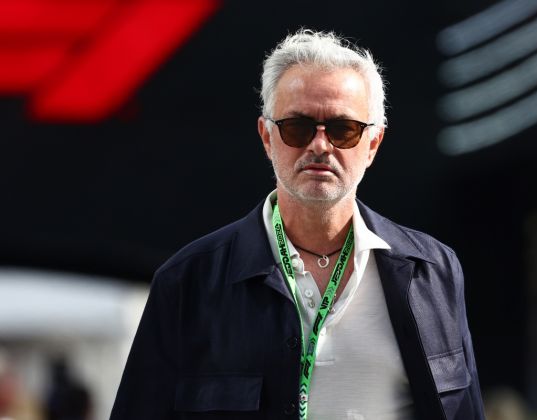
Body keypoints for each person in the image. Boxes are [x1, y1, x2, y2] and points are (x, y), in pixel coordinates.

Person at [110, 29, 485, 420]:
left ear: (373, 144)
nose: (320, 145)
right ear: (267, 137)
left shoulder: (434, 272)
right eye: (297, 127)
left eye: (343, 129)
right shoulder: (188, 282)